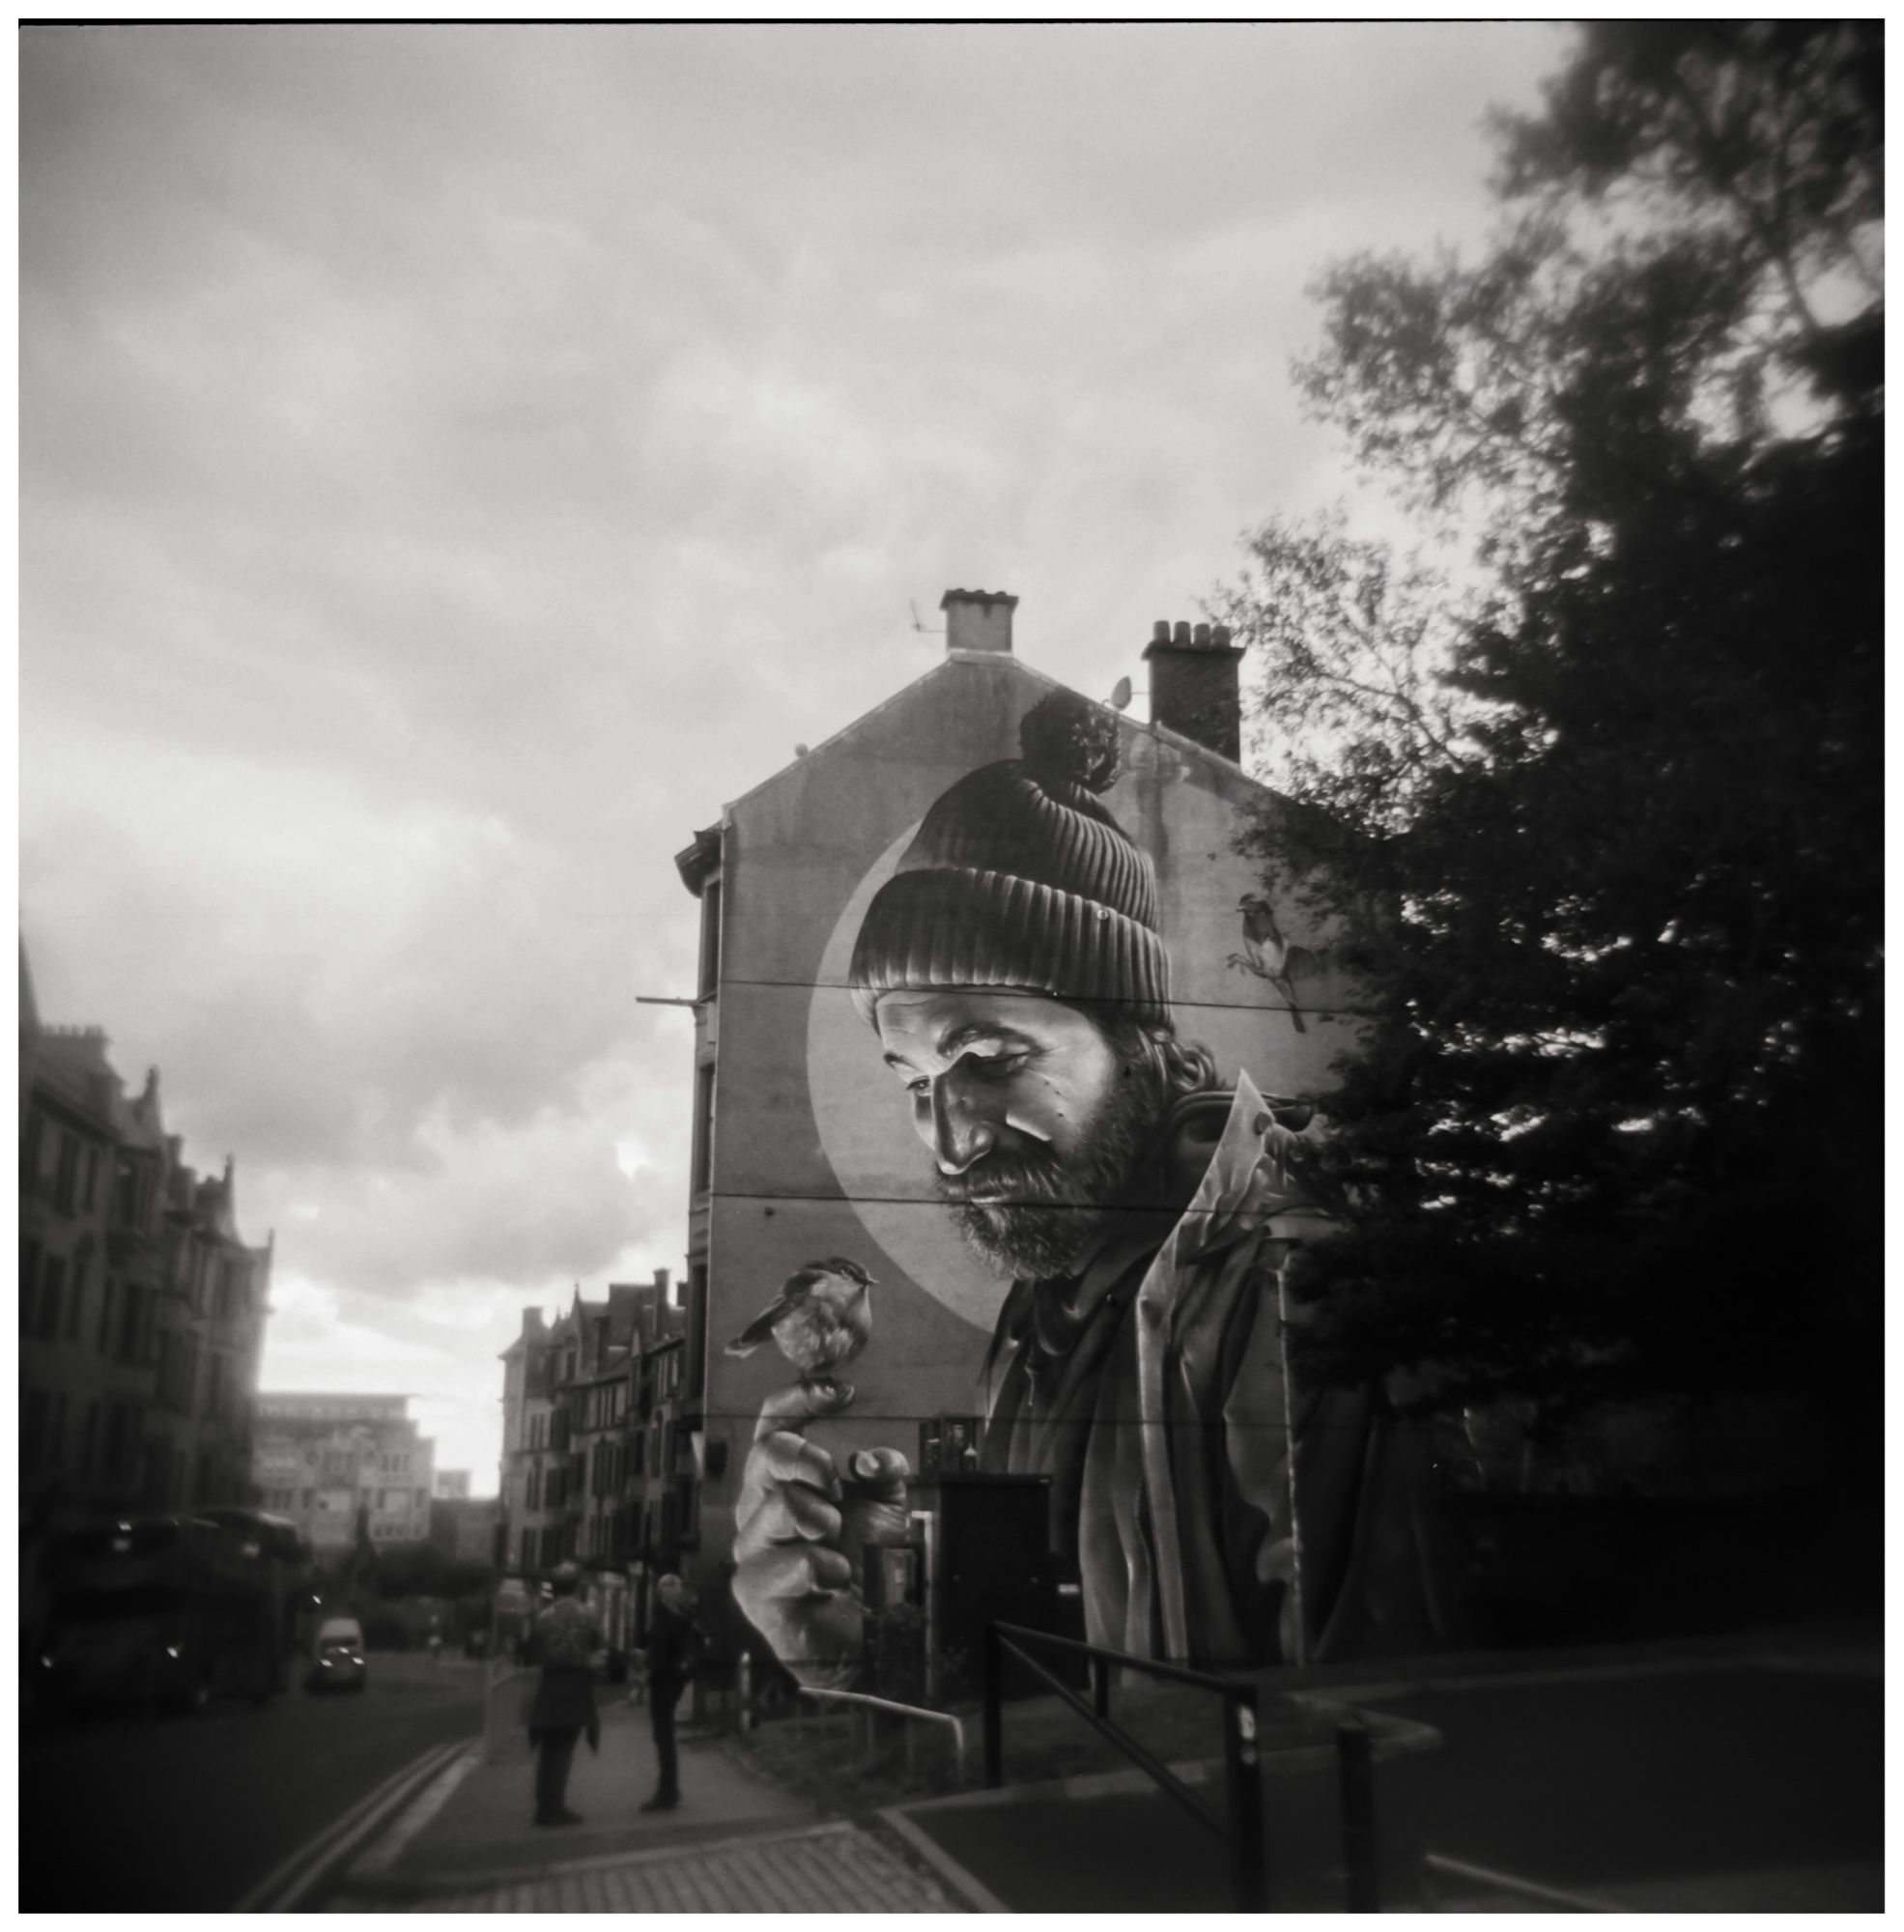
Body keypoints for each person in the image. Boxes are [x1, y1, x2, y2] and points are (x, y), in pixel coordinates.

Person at [732, 690, 1454, 1686]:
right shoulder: (1044, 1309)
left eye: (986, 1056)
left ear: (1136, 1037)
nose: (950, 1141)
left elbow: (1360, 1725)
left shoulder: (1283, 1283)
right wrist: (874, 1629)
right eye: (913, 1082)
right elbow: (1039, 1650)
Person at [526, 1563, 602, 1828]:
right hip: (576, 1684)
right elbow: (595, 1646)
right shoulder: (588, 1615)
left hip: (550, 1684)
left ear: (553, 1587)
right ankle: (555, 1810)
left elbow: (532, 1651)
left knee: (548, 1749)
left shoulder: (543, 1617)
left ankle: (542, 1808)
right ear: (577, 1585)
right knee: (564, 1750)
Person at [633, 1574, 703, 1813]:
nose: (667, 1591)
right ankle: (669, 1790)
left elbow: (660, 1652)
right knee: (664, 1738)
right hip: (672, 1681)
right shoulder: (680, 1618)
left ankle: (667, 1793)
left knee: (663, 1738)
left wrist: (647, 1668)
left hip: (665, 1682)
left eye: (669, 1587)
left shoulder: (668, 1620)